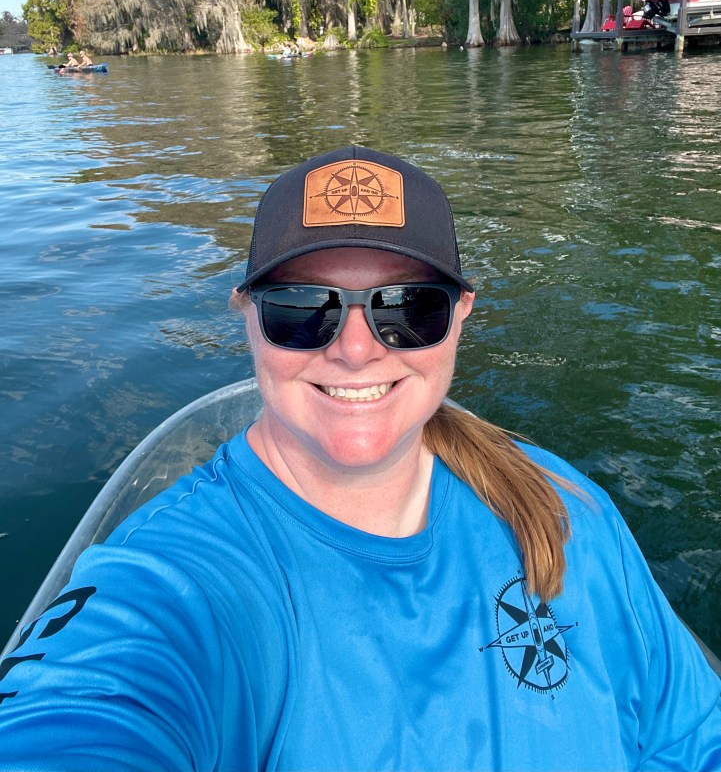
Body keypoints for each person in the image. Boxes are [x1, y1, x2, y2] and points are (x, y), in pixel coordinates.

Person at [0, 145, 719, 771]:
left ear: (460, 314)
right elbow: (85, 711)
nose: (353, 348)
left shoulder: (563, 508)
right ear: (246, 314)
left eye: (407, 307)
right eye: (300, 307)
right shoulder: (178, 586)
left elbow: (692, 736)